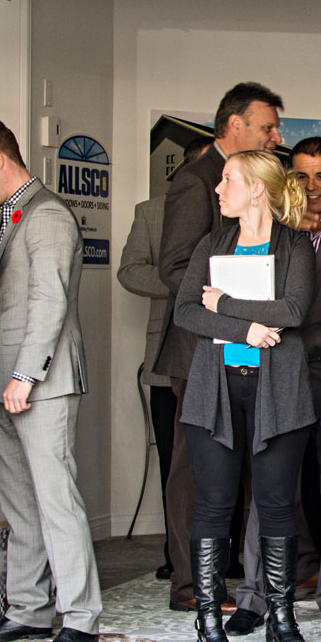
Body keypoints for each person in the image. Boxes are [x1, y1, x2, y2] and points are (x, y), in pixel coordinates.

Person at [0, 118, 102, 642]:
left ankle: (80, 617)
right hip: (3, 383)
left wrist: (25, 376)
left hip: (41, 383)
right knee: (19, 503)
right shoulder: (6, 218)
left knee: (56, 500)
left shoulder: (49, 215)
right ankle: (28, 610)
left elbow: (49, 302)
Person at [170, 148, 314, 642]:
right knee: (214, 506)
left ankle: (281, 619)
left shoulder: (295, 245)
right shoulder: (212, 244)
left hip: (279, 393)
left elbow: (293, 310)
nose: (218, 188)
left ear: (256, 188)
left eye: (227, 179)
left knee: (276, 505)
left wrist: (226, 306)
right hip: (215, 391)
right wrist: (246, 330)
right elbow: (186, 311)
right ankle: (209, 625)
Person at [228, 137, 321, 641]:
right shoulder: (267, 228)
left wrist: (290, 337)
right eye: (301, 176)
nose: (311, 186)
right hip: (274, 375)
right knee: (268, 489)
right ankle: (253, 597)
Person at [154, 82, 284, 610]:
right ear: (234, 126)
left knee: (250, 470)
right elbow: (174, 268)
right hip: (200, 353)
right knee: (195, 472)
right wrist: (233, 304)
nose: (276, 137)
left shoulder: (262, 190)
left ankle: (249, 581)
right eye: (267, 127)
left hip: (253, 349)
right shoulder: (197, 181)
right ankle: (190, 586)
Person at [119, 137, 211, 522]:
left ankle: (224, 548)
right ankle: (175, 551)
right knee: (174, 460)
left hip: (224, 354)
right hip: (166, 358)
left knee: (220, 461)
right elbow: (129, 271)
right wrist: (184, 283)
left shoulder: (237, 211)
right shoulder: (151, 212)